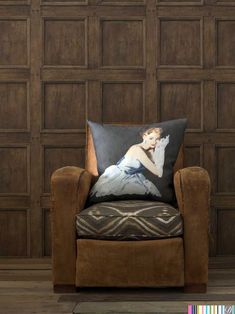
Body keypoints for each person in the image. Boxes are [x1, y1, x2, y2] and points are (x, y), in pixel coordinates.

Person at [89, 127, 169, 199]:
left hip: (133, 177)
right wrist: (162, 149)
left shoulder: (150, 151)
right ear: (145, 136)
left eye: (157, 139)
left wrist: (160, 149)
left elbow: (159, 171)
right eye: (151, 138)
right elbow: (158, 172)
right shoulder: (137, 150)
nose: (154, 142)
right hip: (119, 177)